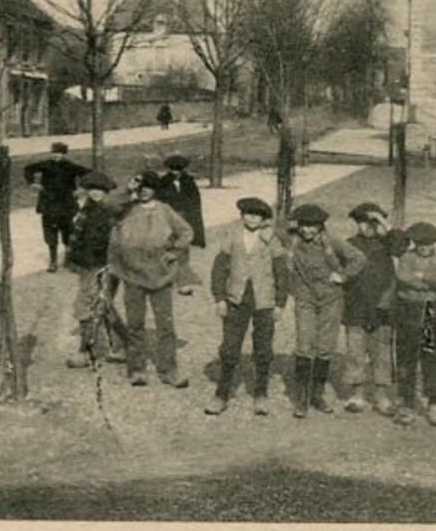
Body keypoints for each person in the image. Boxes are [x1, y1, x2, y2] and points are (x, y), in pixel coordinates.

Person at [108, 169, 195, 388]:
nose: (145, 191)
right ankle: (136, 369)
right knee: (135, 323)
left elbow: (186, 232)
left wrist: (174, 252)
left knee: (165, 325)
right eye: (141, 187)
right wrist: (128, 188)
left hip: (160, 276)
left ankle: (168, 370)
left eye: (149, 187)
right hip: (132, 275)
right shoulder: (126, 209)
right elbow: (106, 205)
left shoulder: (165, 210)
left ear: (156, 190)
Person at [204, 197, 290, 417]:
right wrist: (220, 298)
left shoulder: (271, 239)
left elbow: (282, 272)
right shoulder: (232, 236)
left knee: (263, 348)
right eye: (248, 214)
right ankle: (222, 394)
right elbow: (219, 269)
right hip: (236, 299)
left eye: (257, 216)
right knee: (230, 348)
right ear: (242, 216)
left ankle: (260, 394)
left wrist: (280, 303)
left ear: (263, 219)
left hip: (264, 301)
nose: (252, 219)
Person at [284, 203, 367, 418]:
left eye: (312, 226)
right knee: (304, 345)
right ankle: (301, 398)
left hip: (331, 299)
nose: (307, 230)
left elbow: (359, 258)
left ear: (321, 226)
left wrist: (344, 276)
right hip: (305, 299)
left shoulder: (333, 241)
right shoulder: (293, 241)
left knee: (325, 346)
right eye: (303, 226)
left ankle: (317, 394)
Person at [390, 221, 436, 426]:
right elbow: (403, 277)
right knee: (406, 358)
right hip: (408, 310)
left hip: (430, 311)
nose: (424, 247)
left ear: (435, 243)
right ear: (414, 243)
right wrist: (426, 278)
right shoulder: (406, 257)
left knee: (432, 356)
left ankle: (434, 403)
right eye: (420, 243)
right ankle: (407, 404)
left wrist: (420, 277)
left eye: (428, 243)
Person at [340, 202, 401, 415]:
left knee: (381, 351)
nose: (367, 227)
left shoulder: (387, 244)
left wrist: (385, 223)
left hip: (383, 306)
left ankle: (382, 396)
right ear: (357, 224)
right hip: (356, 305)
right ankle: (357, 394)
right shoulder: (348, 244)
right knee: (356, 351)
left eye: (372, 223)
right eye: (363, 222)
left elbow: (402, 247)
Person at [63, 171, 120, 368]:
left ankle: (85, 352)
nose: (96, 193)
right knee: (101, 306)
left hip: (102, 265)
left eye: (101, 190)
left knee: (90, 306)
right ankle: (119, 348)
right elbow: (76, 239)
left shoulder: (108, 212)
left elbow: (114, 242)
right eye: (92, 190)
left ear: (107, 192)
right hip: (87, 265)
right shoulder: (85, 210)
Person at [23, 142, 89, 272]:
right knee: (50, 234)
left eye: (59, 153)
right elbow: (28, 169)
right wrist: (32, 183)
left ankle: (69, 260)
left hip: (66, 204)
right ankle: (53, 261)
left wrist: (81, 189)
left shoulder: (70, 166)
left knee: (68, 232)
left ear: (64, 154)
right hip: (48, 203)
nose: (55, 156)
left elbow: (89, 174)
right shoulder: (45, 165)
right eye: (53, 153)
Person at [156, 154, 206, 295]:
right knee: (166, 248)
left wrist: (194, 226)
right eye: (173, 169)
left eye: (179, 169)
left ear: (183, 169)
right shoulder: (163, 182)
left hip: (184, 220)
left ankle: (183, 283)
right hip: (167, 220)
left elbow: (195, 204)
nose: (176, 172)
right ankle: (166, 279)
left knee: (183, 250)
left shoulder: (189, 182)